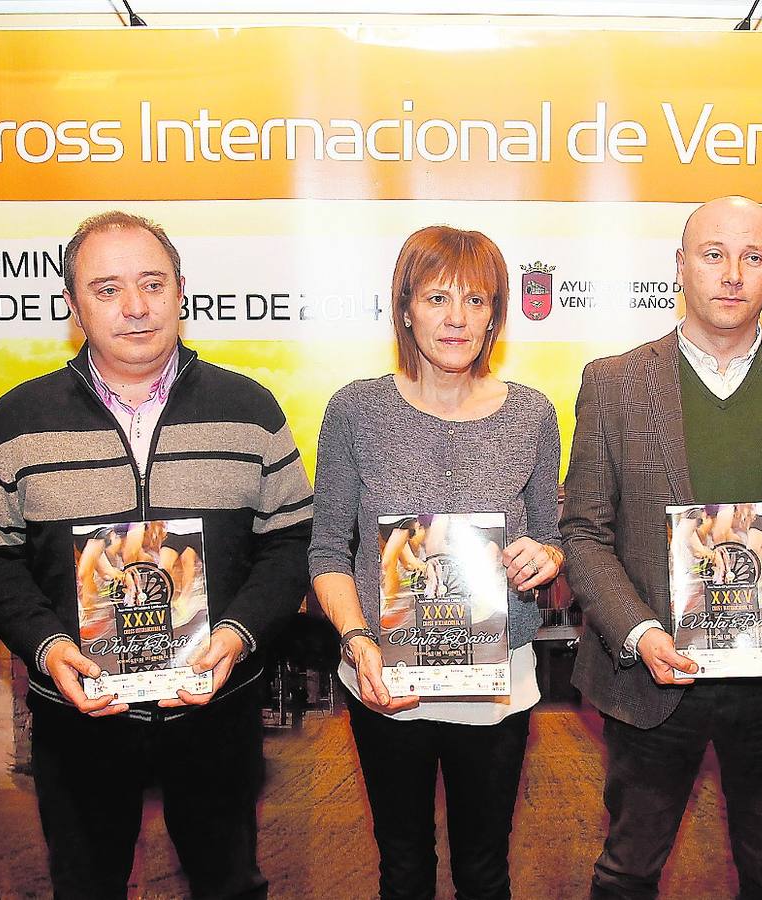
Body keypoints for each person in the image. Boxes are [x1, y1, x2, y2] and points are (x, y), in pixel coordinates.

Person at [0, 210, 312, 900]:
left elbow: (290, 542)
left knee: (228, 885)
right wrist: (47, 645)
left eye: (152, 283)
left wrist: (237, 636)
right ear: (72, 306)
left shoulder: (250, 409)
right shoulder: (18, 419)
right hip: (77, 715)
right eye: (108, 288)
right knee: (85, 887)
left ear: (181, 290)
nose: (136, 307)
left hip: (215, 708)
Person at [562, 197, 762, 899]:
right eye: (712, 254)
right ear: (679, 265)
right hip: (651, 678)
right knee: (625, 874)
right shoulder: (612, 383)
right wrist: (638, 632)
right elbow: (582, 530)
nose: (732, 274)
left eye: (751, 257)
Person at [309, 225, 563, 900]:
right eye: (437, 297)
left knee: (484, 868)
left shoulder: (532, 415)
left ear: (494, 317)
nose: (456, 318)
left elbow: (552, 534)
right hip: (386, 677)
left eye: (476, 301)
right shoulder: (354, 410)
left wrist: (544, 555)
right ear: (404, 308)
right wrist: (357, 639)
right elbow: (328, 547)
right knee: (403, 867)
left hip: (495, 678)